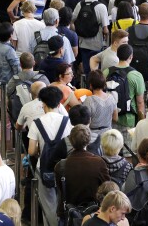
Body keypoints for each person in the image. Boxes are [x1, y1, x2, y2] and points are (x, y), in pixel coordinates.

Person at [27, 86, 73, 226]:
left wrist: (39, 152)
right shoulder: (67, 121)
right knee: (64, 202)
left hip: (44, 167)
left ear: (43, 104)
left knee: (48, 206)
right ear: (59, 103)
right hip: (65, 167)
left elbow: (31, 151)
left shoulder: (37, 123)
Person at [54, 125, 111, 223]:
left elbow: (60, 190)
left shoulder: (60, 166)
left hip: (68, 214)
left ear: (71, 141)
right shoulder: (99, 163)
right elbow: (107, 188)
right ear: (88, 141)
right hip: (93, 214)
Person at [103, 44, 145, 149]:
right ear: (131, 56)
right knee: (128, 152)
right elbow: (140, 102)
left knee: (111, 149)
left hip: (110, 117)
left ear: (117, 55)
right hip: (128, 118)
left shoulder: (106, 72)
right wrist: (141, 121)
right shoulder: (136, 75)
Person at [72, 0, 110, 74]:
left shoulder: (80, 4)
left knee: (87, 67)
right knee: (96, 70)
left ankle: (87, 85)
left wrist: (77, 31)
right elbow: (105, 29)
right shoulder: (101, 7)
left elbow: (72, 20)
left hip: (83, 42)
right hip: (97, 43)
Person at [84, 70, 118, 134]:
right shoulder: (111, 98)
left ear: (91, 85)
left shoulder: (89, 100)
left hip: (93, 134)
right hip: (108, 133)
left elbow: (86, 122)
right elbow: (115, 118)